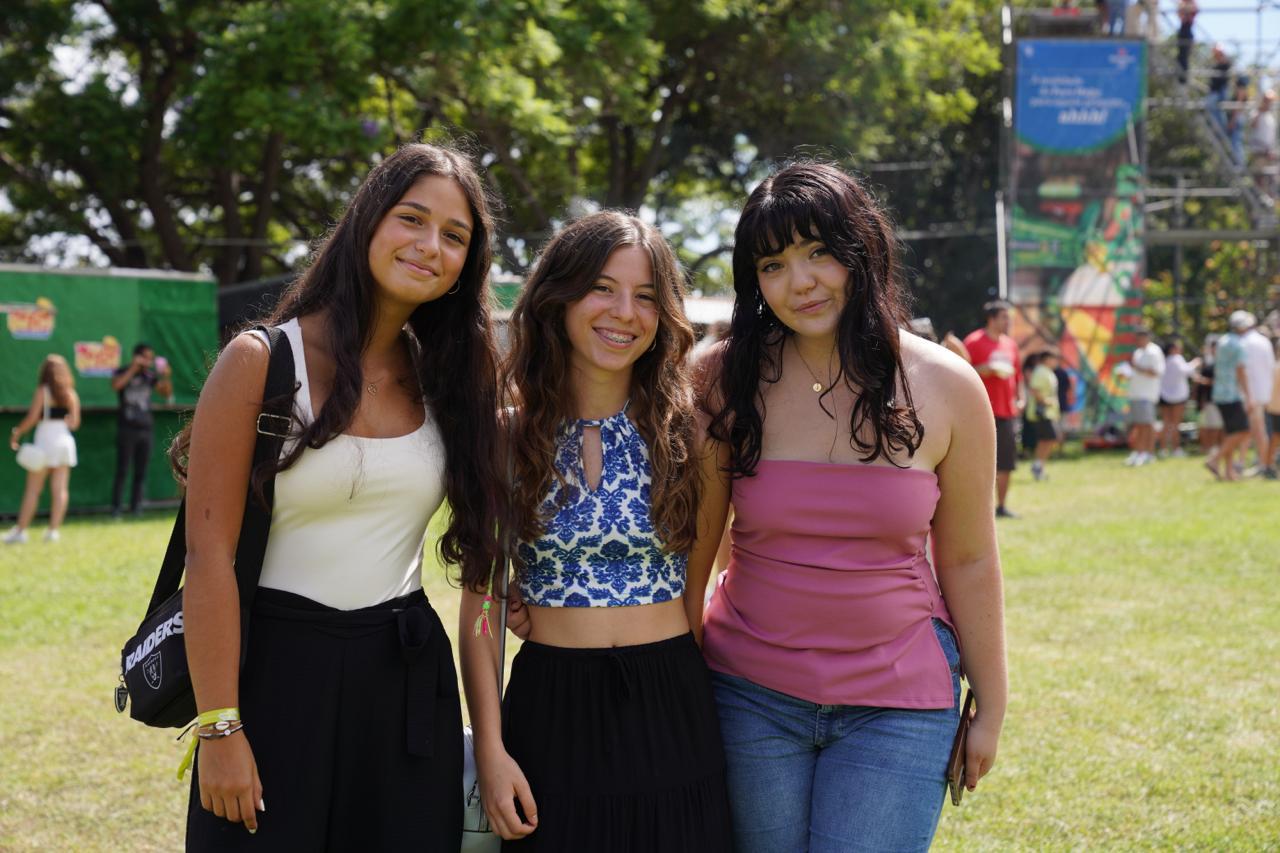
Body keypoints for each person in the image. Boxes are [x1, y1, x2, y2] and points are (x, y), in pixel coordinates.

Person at [177, 142, 505, 848]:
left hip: (407, 685)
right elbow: (206, 557)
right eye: (412, 219)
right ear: (366, 222)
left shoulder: (451, 382)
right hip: (272, 682)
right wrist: (220, 726)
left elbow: (485, 573)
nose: (430, 245)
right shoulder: (261, 362)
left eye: (455, 236)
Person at [694, 163, 1007, 852]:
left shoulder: (949, 386)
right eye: (773, 264)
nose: (800, 281)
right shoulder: (719, 380)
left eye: (818, 252)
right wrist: (676, 689)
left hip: (899, 703)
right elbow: (697, 546)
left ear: (860, 248)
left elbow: (970, 556)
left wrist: (992, 704)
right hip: (746, 693)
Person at [461, 211, 733, 851]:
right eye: (603, 288)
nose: (624, 312)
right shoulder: (505, 436)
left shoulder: (694, 436)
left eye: (645, 296)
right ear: (559, 298)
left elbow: (699, 591)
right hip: (548, 708)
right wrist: (493, 751)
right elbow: (481, 609)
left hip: (673, 708)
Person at [4, 355, 81, 544]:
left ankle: (21, 531)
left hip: (46, 441)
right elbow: (75, 423)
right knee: (60, 490)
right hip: (64, 442)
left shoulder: (43, 391)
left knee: (33, 489)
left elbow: (31, 418)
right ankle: (53, 531)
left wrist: (17, 433)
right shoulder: (71, 394)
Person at [964, 300, 1023, 518]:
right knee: (977, 464)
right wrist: (984, 369)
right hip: (980, 411)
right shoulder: (973, 342)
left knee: (1006, 463)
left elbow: (1018, 376)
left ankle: (1002, 506)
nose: (1008, 321)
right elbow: (961, 371)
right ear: (992, 318)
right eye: (1004, 317)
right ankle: (978, 509)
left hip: (1007, 411)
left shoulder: (1010, 344)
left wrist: (1021, 398)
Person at [110, 342, 173, 518]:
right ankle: (116, 508)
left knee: (141, 470)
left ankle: (136, 507)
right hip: (126, 428)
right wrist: (133, 368)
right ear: (136, 356)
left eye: (150, 358)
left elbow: (166, 393)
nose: (148, 361)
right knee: (122, 469)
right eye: (145, 357)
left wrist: (166, 377)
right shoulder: (122, 371)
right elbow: (116, 385)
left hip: (145, 428)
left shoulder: (149, 376)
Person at [1205, 315, 1252, 481]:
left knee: (1230, 432)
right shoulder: (1238, 345)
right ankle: (1214, 459)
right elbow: (1241, 372)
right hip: (1231, 394)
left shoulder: (1222, 341)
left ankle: (1229, 472)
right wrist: (1249, 396)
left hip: (1219, 393)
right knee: (1243, 430)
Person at [1237, 312, 1277, 477]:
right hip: (1263, 393)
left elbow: (1241, 370)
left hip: (1249, 394)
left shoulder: (1242, 342)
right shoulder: (1264, 342)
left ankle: (1262, 463)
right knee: (1255, 430)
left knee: (1256, 430)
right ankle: (1252, 462)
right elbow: (1270, 367)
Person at [1125, 326, 1164, 466]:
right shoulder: (1138, 352)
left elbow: (1156, 372)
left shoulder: (1154, 352)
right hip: (1136, 394)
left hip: (1147, 395)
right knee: (1139, 425)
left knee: (1147, 425)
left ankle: (1148, 453)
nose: (1138, 341)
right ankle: (1139, 452)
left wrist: (1137, 368)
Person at [1157, 337, 1200, 457]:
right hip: (1177, 397)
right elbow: (1186, 371)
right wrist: (1195, 363)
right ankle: (1176, 449)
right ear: (1172, 349)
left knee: (1166, 423)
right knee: (1175, 424)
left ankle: (1163, 449)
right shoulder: (1177, 359)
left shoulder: (1164, 360)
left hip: (1164, 396)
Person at [1028, 349, 1063, 481]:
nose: (1056, 362)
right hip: (1042, 413)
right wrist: (1046, 401)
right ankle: (1038, 465)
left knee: (1047, 439)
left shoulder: (1046, 372)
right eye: (1054, 358)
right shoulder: (1041, 372)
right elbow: (1035, 390)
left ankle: (1039, 465)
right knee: (1050, 438)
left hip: (1048, 413)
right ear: (1047, 359)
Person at [1193, 334, 1222, 454]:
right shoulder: (1208, 364)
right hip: (1208, 399)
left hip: (1219, 399)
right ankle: (1207, 447)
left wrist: (1203, 380)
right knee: (1206, 425)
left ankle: (1214, 447)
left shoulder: (1223, 365)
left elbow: (1218, 381)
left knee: (1216, 425)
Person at [1250, 89, 1278, 199]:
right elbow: (1253, 126)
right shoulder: (1256, 113)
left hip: (1269, 153)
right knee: (1259, 178)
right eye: (1267, 101)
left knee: (1271, 179)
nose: (1269, 103)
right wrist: (1260, 110)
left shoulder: (1271, 116)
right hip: (1259, 152)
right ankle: (1259, 200)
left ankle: (1270, 200)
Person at [1266, 337, 1280, 474]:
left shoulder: (1274, 366)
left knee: (1275, 438)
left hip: (1273, 407)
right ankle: (1269, 465)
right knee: (1275, 438)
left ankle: (1269, 464)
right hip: (1277, 408)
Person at [1176, 1, 1199, 83]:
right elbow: (1180, 14)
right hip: (1183, 31)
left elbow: (1194, 11)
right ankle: (1181, 78)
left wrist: (1185, 7)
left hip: (1187, 31)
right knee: (1180, 57)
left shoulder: (1191, 4)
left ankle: (1183, 79)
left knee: (1184, 57)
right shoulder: (1183, 4)